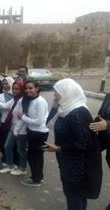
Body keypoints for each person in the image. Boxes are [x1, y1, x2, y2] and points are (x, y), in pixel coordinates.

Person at [45, 78, 102, 210]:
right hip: (68, 162)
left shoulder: (77, 113)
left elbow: (83, 144)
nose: (54, 95)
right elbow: (48, 123)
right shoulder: (66, 109)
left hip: (77, 167)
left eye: (57, 93)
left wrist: (58, 148)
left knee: (74, 196)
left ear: (67, 93)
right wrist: (54, 106)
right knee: (76, 195)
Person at [18, 80, 49, 187]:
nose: (27, 90)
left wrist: (23, 117)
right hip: (33, 132)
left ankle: (36, 180)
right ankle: (38, 177)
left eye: (30, 88)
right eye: (26, 88)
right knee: (36, 156)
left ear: (37, 88)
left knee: (34, 157)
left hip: (39, 133)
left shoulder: (40, 102)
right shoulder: (31, 100)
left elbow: (39, 121)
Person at [0, 80, 27, 175]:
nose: (15, 91)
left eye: (17, 89)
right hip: (13, 128)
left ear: (21, 89)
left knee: (20, 150)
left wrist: (16, 130)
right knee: (7, 146)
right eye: (14, 89)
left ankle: (22, 168)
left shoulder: (22, 100)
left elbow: (21, 118)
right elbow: (5, 106)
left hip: (21, 130)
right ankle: (10, 165)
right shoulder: (15, 99)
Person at [89, 93, 110, 210]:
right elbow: (101, 116)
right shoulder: (108, 96)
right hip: (106, 140)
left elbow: (106, 122)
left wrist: (107, 124)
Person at [0, 76, 15, 162]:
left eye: (7, 83)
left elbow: (7, 107)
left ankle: (13, 160)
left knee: (12, 144)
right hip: (4, 121)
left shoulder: (16, 95)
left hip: (14, 123)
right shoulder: (0, 96)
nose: (5, 85)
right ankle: (5, 159)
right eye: (3, 84)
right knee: (3, 141)